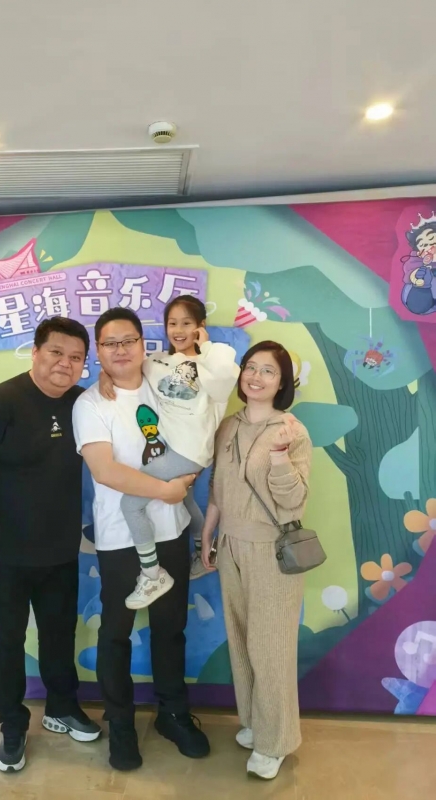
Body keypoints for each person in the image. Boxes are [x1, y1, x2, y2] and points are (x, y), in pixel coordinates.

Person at [0, 317, 102, 774]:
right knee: (5, 641)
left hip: (60, 551)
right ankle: (12, 724)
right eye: (56, 353)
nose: (65, 364)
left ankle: (61, 707)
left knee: (59, 635)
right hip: (2, 553)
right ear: (35, 352)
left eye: (76, 357)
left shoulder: (82, 404)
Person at [73, 306, 211, 772]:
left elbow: (198, 415)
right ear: (99, 350)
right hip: (120, 539)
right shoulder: (90, 403)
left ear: (142, 344)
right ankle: (121, 726)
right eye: (110, 344)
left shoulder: (162, 379)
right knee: (116, 634)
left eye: (128, 340)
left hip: (172, 530)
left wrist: (184, 480)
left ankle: (174, 715)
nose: (120, 350)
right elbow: (104, 470)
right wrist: (165, 490)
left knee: (171, 628)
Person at [201, 340, 312, 781]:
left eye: (268, 371)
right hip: (230, 543)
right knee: (242, 641)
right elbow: (218, 486)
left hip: (271, 550)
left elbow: (295, 500)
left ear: (282, 383)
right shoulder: (228, 425)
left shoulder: (291, 430)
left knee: (271, 649)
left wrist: (281, 456)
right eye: (251, 367)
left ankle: (275, 741)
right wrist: (209, 533)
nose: (256, 377)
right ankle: (254, 722)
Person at [99, 296, 239, 609]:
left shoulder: (214, 363)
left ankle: (152, 574)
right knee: (185, 500)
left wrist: (205, 346)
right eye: (172, 323)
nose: (178, 330)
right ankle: (204, 550)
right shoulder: (158, 362)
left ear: (200, 326)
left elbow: (223, 377)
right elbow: (126, 368)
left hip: (189, 452)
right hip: (170, 448)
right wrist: (104, 375)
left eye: (187, 323)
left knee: (131, 503)